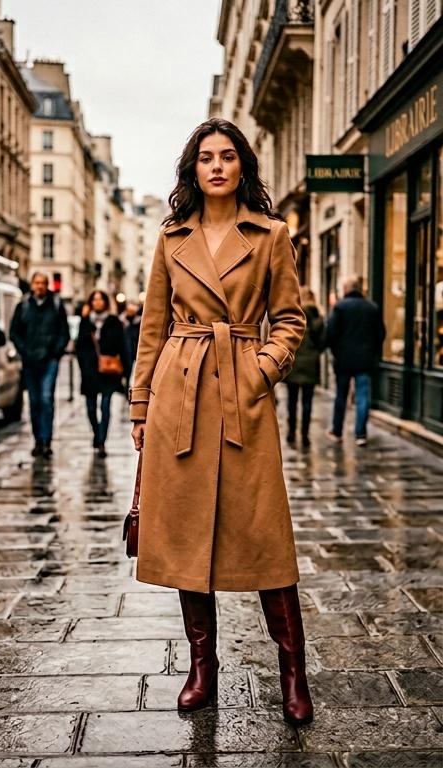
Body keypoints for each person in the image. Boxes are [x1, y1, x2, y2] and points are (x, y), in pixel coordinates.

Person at [128, 117, 312, 725]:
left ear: (242, 167)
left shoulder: (271, 235)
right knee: (187, 540)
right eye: (205, 157)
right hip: (179, 395)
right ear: (193, 168)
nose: (216, 166)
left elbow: (291, 322)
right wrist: (140, 408)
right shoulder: (170, 238)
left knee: (265, 537)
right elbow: (152, 329)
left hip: (242, 395)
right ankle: (202, 669)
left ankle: (293, 673)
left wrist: (259, 371)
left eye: (227, 156)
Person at [9, 273, 70, 457]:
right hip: (30, 361)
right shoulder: (24, 306)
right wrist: (25, 352)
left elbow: (64, 333)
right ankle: (37, 440)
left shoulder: (57, 306)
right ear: (32, 285)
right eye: (37, 283)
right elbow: (14, 333)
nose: (40, 286)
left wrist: (55, 352)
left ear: (47, 285)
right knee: (34, 402)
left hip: (49, 360)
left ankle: (46, 440)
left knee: (46, 399)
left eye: (43, 283)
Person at [324, 276, 385, 446]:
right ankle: (361, 434)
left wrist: (336, 352)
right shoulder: (372, 308)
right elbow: (381, 334)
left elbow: (330, 334)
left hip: (343, 360)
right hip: (365, 360)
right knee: (362, 396)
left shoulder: (340, 307)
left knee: (341, 396)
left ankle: (337, 431)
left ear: (346, 289)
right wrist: (372, 352)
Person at [76, 290, 130, 457]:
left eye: (100, 299)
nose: (97, 303)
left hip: (108, 371)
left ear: (105, 302)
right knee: (91, 407)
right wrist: (83, 366)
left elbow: (122, 345)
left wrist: (126, 371)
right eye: (94, 300)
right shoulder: (85, 322)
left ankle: (101, 441)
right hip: (90, 370)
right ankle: (96, 433)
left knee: (105, 406)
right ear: (91, 303)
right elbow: (80, 347)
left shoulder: (114, 321)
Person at [284, 288, 326, 448]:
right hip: (310, 365)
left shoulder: (294, 317)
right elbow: (322, 343)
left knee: (292, 401)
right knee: (307, 401)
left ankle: (291, 432)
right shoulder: (318, 318)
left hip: (294, 364)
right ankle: (305, 435)